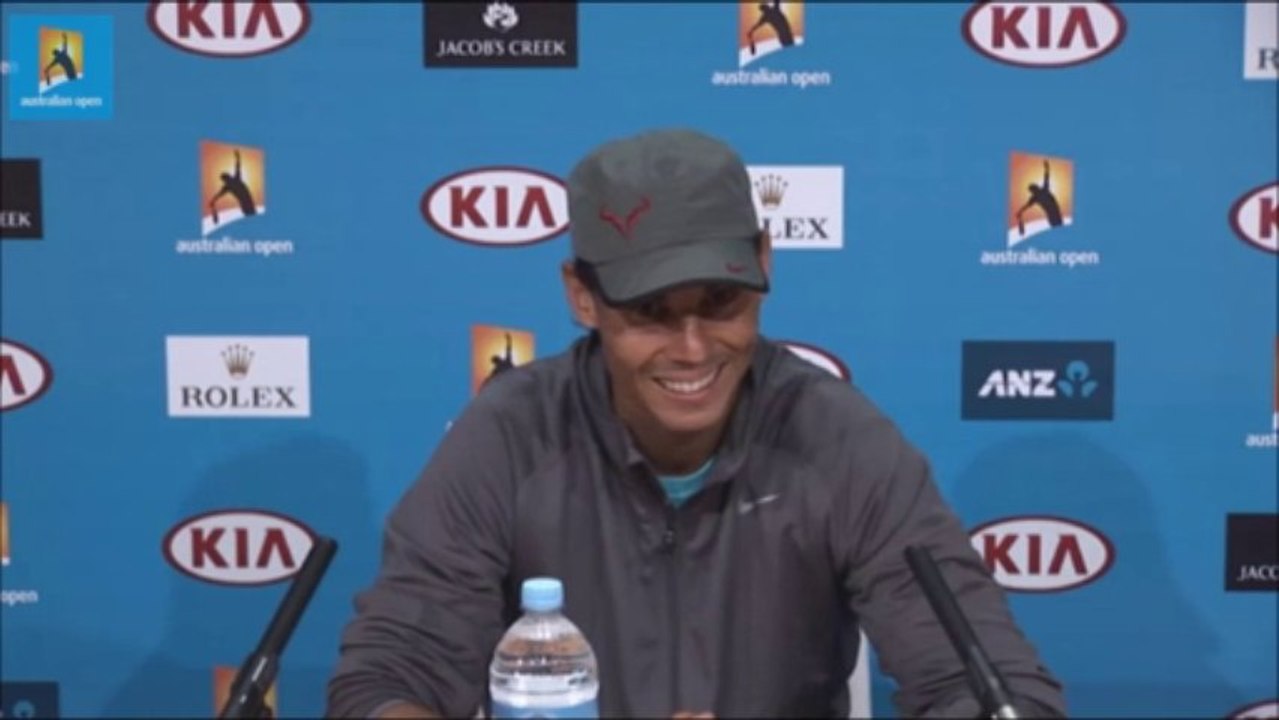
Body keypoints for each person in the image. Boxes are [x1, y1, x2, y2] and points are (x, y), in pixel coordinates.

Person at [326, 129, 1067, 719]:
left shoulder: (839, 438)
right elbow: (389, 677)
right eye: (649, 313)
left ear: (764, 265)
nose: (691, 348)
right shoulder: (511, 434)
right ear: (581, 297)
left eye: (720, 303)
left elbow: (992, 685)